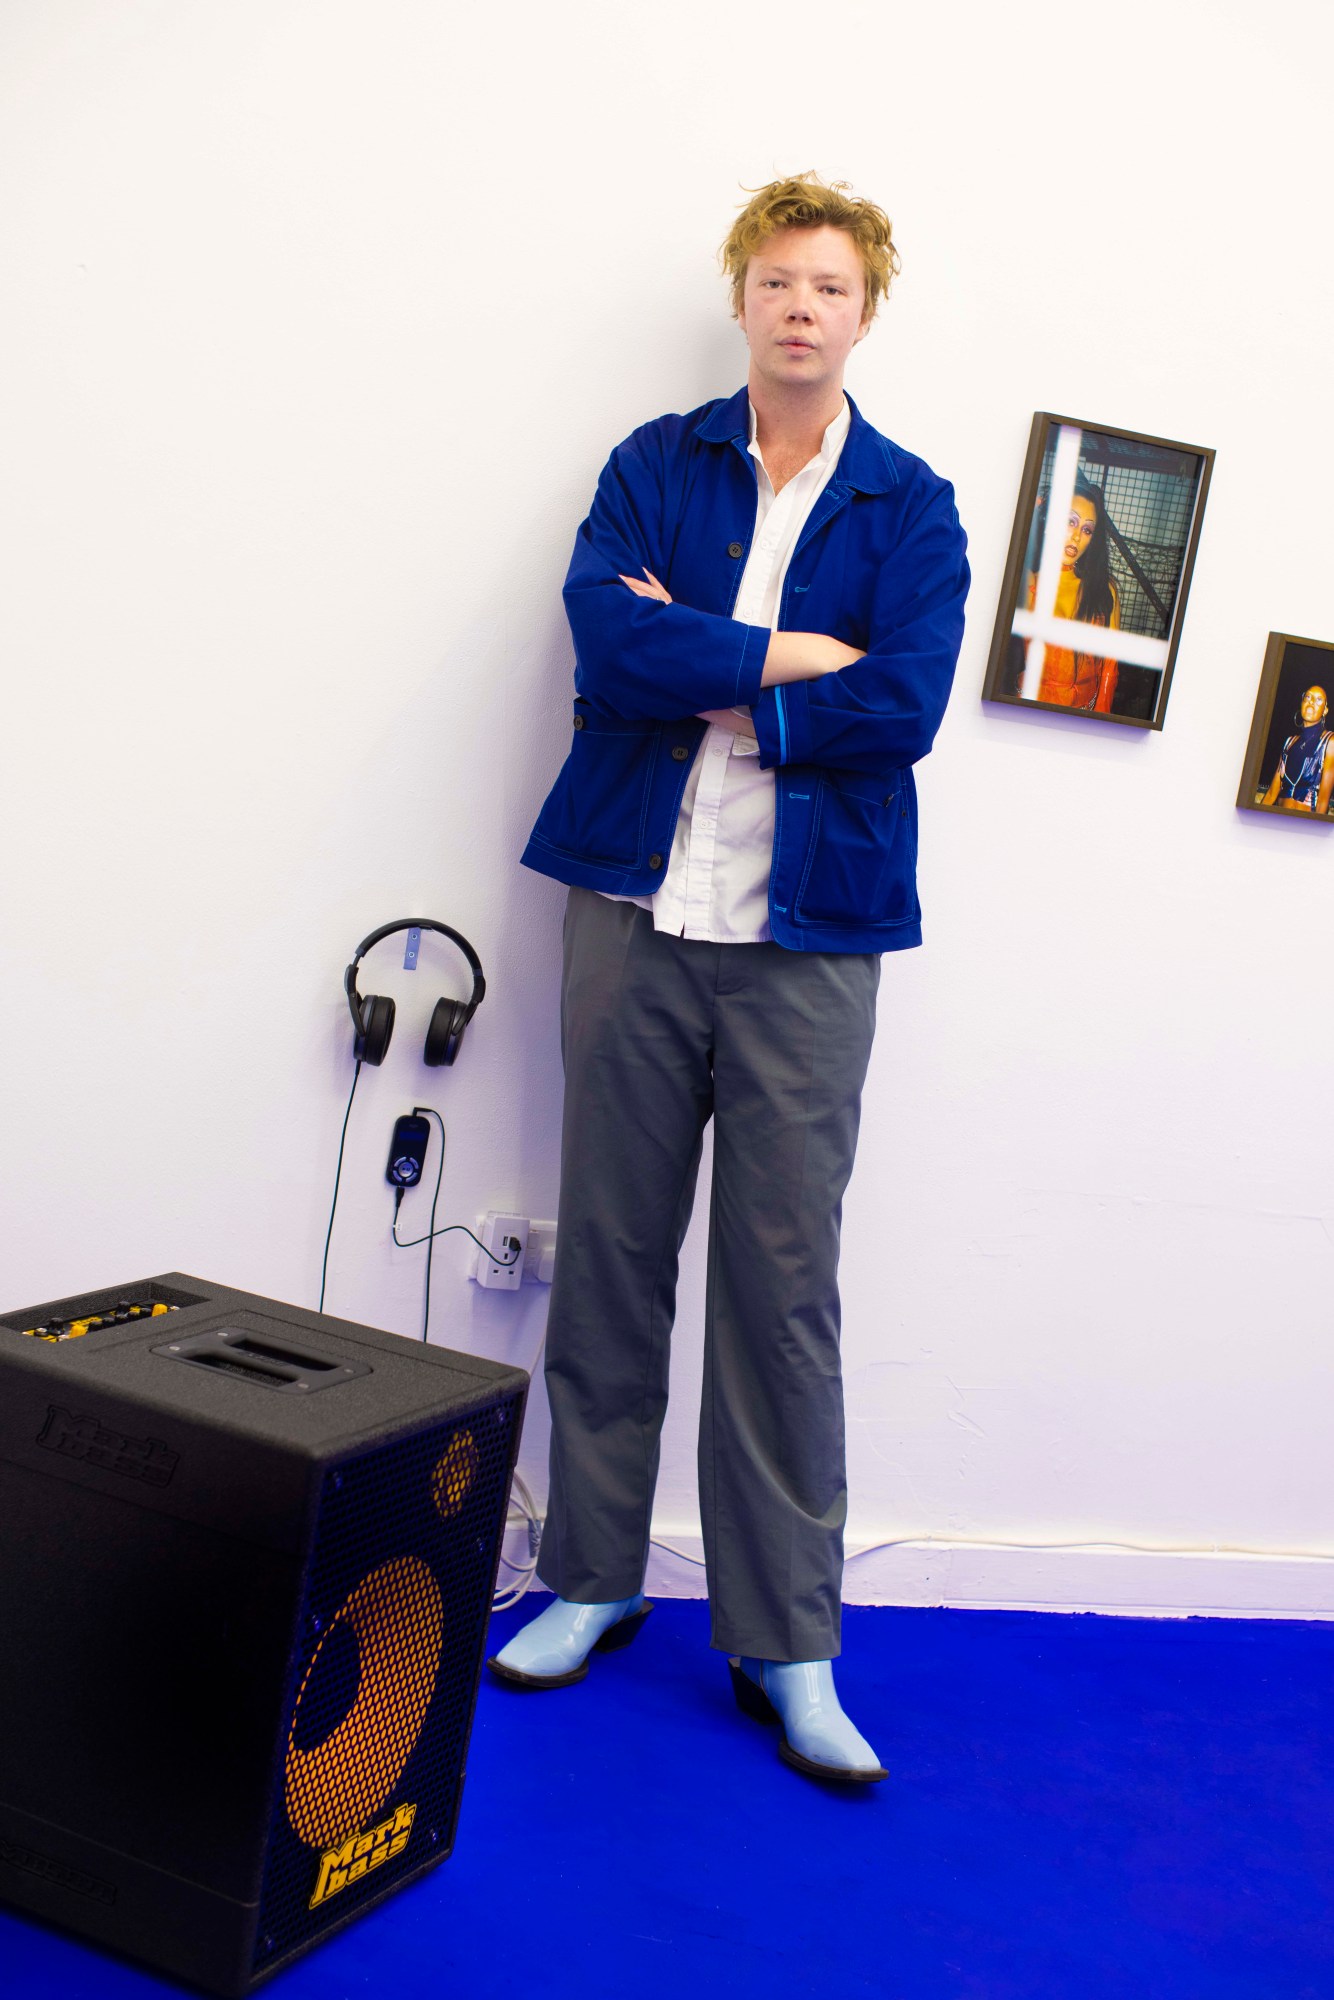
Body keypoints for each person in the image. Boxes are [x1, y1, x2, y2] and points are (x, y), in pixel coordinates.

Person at [491, 173, 969, 1785]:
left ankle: (788, 1642)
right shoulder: (653, 463)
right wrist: (781, 655)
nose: (797, 306)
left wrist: (698, 659)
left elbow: (900, 704)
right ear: (741, 296)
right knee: (612, 1257)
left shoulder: (911, 506)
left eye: (828, 286)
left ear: (862, 312)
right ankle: (590, 1581)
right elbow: (602, 647)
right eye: (774, 278)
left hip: (808, 941)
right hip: (634, 911)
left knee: (782, 1296)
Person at [1024, 476, 1121, 711]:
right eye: (1070, 522)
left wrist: (1099, 722)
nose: (1077, 536)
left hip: (1084, 712)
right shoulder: (1026, 583)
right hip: (1029, 709)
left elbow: (1110, 664)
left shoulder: (1103, 588)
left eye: (1087, 529)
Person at [1261, 685, 1334, 812]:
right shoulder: (1289, 743)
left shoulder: (1329, 742)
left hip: (1303, 826)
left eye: (1318, 700)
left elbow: (1323, 801)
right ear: (1302, 703)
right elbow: (1272, 793)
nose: (1311, 702)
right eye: (1308, 697)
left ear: (1325, 711)